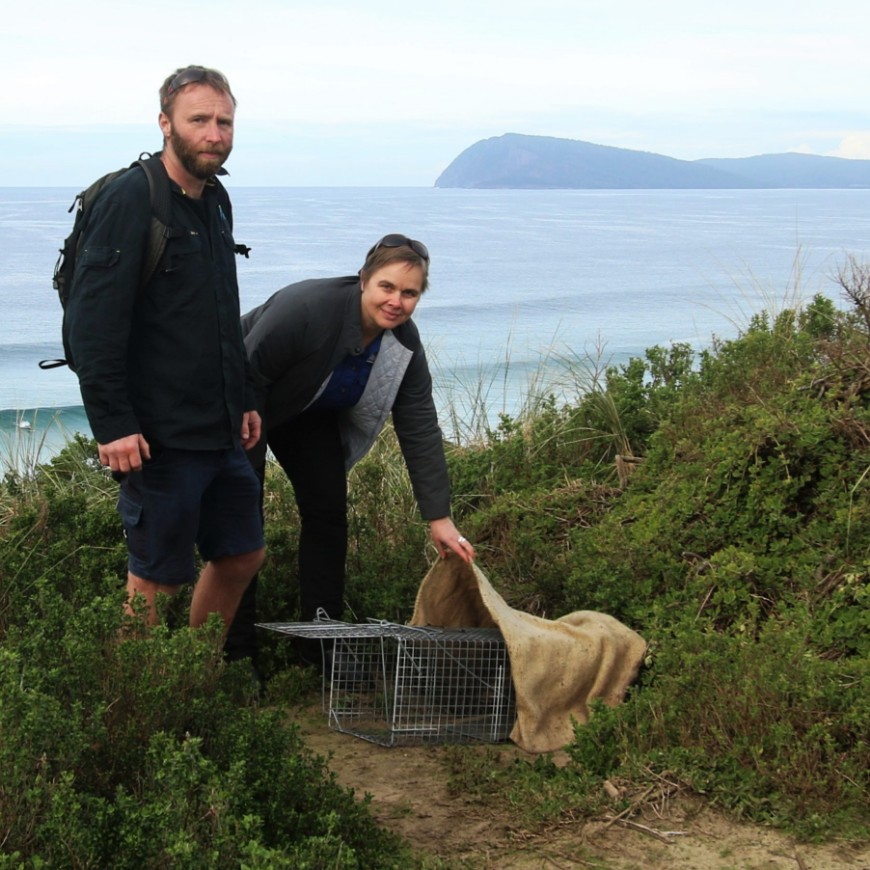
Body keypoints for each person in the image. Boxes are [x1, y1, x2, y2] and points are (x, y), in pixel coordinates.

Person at [64, 65, 265, 632]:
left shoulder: (215, 199)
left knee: (241, 554)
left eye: (224, 122)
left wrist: (245, 397)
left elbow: (224, 313)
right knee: (156, 579)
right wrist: (112, 423)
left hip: (219, 429)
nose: (214, 134)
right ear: (165, 123)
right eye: (199, 119)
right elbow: (92, 325)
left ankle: (194, 685)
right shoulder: (134, 198)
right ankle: (139, 707)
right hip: (158, 437)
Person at [224, 234, 474, 664]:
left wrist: (440, 518)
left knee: (328, 513)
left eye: (409, 293)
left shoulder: (404, 346)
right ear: (363, 280)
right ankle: (237, 653)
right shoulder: (305, 307)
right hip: (243, 399)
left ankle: (320, 647)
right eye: (387, 287)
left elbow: (419, 427)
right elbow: (243, 370)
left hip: (307, 410)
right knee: (244, 522)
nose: (396, 301)